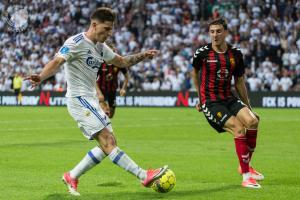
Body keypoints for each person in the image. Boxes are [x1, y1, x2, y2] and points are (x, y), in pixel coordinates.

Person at [26, 7, 168, 196]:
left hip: (90, 101)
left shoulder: (101, 47)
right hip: (79, 99)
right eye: (106, 29)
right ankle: (144, 175)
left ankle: (72, 175)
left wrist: (143, 55)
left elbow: (122, 62)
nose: (109, 33)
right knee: (108, 141)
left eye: (111, 29)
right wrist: (41, 77)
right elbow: (57, 61)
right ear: (94, 25)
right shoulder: (76, 42)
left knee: (107, 145)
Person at [192, 18, 264, 189]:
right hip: (211, 102)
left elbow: (239, 82)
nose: (215, 35)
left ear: (225, 32)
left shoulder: (236, 54)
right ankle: (246, 177)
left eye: (218, 31)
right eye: (212, 32)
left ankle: (245, 166)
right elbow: (194, 73)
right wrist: (200, 98)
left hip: (228, 97)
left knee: (253, 121)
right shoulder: (201, 53)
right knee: (238, 129)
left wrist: (249, 107)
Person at [95, 43, 129, 118]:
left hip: (112, 91)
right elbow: (93, 80)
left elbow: (127, 76)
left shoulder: (118, 62)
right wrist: (99, 93)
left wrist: (123, 88)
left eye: (113, 52)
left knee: (111, 115)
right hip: (101, 90)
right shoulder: (100, 63)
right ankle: (100, 127)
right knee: (103, 113)